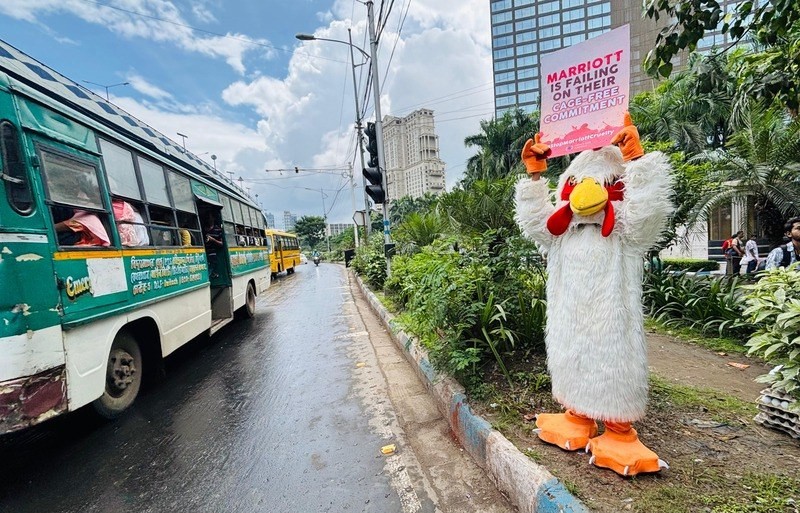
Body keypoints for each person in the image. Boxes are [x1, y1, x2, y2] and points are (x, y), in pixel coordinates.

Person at [203, 213, 224, 278]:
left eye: (210, 217)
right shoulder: (203, 229)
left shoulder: (218, 229)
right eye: (207, 217)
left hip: (212, 253)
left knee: (210, 267)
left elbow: (221, 243)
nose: (208, 219)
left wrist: (213, 240)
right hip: (203, 253)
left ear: (213, 218)